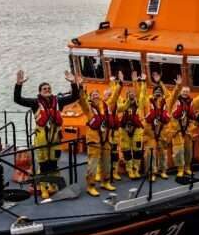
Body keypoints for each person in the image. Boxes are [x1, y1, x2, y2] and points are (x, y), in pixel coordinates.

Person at [13, 69, 81, 200]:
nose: (47, 90)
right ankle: (43, 187)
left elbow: (75, 97)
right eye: (44, 88)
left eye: (48, 88)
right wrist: (19, 84)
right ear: (40, 91)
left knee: (54, 163)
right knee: (43, 164)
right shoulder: (35, 103)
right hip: (42, 138)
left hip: (55, 137)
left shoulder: (59, 101)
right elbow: (17, 99)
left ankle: (54, 184)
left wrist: (73, 83)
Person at [77, 79, 120, 196]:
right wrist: (80, 87)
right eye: (93, 94)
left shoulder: (106, 106)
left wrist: (119, 84)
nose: (96, 95)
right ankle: (90, 186)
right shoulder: (89, 109)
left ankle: (105, 182)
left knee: (107, 163)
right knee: (93, 165)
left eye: (97, 94)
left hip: (106, 140)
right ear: (90, 98)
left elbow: (115, 97)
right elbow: (81, 100)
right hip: (94, 141)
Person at [168, 77, 199, 183]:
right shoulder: (173, 102)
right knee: (178, 151)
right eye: (183, 91)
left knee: (188, 151)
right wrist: (177, 86)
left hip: (187, 131)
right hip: (177, 132)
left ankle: (187, 168)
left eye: (187, 92)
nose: (185, 93)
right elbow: (174, 95)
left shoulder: (191, 103)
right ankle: (180, 170)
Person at [115, 72, 146, 180]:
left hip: (137, 129)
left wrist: (141, 82)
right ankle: (129, 171)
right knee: (127, 151)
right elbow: (115, 98)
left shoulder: (139, 104)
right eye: (129, 94)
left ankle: (136, 169)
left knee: (137, 151)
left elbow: (142, 94)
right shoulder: (122, 104)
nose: (132, 95)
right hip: (124, 129)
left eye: (133, 94)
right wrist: (115, 83)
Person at [141, 81, 173, 180]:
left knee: (163, 152)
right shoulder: (147, 101)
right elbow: (141, 97)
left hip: (162, 131)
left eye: (159, 91)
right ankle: (151, 173)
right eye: (156, 91)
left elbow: (171, 95)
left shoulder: (166, 101)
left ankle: (163, 170)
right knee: (150, 153)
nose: (158, 92)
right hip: (150, 132)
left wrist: (161, 83)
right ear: (153, 92)